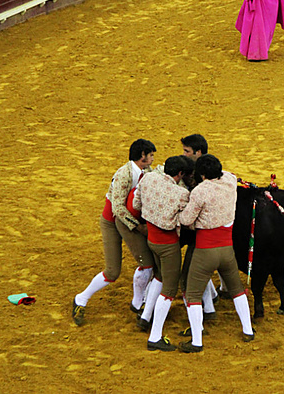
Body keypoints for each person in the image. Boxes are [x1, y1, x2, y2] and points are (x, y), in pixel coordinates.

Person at [72, 139, 157, 326]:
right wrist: (138, 227)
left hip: (126, 221)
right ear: (142, 156)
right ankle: (81, 298)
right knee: (112, 271)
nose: (152, 159)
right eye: (150, 155)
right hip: (113, 223)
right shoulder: (123, 174)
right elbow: (117, 208)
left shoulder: (146, 171)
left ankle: (138, 303)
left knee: (147, 263)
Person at [178, 155, 254, 353]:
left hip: (205, 251)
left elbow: (186, 220)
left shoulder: (200, 191)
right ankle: (248, 330)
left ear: (202, 174)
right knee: (236, 289)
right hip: (227, 249)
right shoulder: (230, 180)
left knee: (193, 294)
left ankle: (197, 341)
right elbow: (230, 173)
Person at [132, 155, 194, 351]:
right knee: (169, 289)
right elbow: (187, 220)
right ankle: (155, 336)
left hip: (151, 240)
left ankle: (145, 317)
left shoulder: (148, 178)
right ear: (180, 174)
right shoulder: (181, 194)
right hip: (168, 246)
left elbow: (136, 205)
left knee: (159, 275)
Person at [178, 133, 221, 315]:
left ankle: (205, 312)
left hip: (199, 232)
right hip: (208, 233)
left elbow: (188, 218)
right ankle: (211, 300)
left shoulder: (205, 180)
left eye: (187, 151)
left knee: (189, 275)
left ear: (199, 152)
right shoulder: (215, 171)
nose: (184, 154)